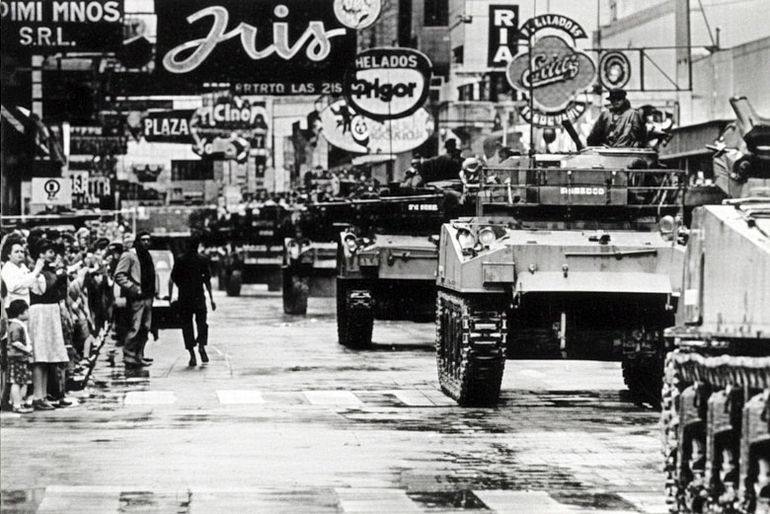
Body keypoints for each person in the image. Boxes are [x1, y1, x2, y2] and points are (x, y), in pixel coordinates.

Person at [28, 239, 70, 410]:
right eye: (50, 252)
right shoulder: (38, 273)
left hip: (50, 312)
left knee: (47, 357)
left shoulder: (49, 271)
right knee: (40, 355)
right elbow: (41, 290)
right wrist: (59, 276)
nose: (53, 255)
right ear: (41, 254)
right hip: (41, 313)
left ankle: (43, 394)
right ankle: (38, 395)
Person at [171, 235, 216, 367]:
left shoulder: (180, 260)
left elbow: (174, 278)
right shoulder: (203, 260)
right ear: (197, 246)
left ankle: (192, 354)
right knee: (202, 322)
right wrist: (212, 299)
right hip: (199, 296)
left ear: (186, 246)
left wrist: (182, 287)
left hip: (185, 297)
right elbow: (207, 280)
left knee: (187, 325)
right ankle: (201, 345)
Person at [114, 231, 156, 367]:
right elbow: (119, 275)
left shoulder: (146, 255)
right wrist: (133, 288)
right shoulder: (129, 255)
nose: (146, 242)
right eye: (143, 240)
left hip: (148, 296)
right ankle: (130, 356)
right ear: (137, 241)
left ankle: (139, 355)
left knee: (145, 328)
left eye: (148, 240)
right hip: (137, 298)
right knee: (135, 327)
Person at [6, 299, 33, 413]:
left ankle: (17, 402)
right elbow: (15, 341)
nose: (28, 313)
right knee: (17, 382)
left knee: (20, 381)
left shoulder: (18, 324)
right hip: (17, 357)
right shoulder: (16, 326)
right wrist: (27, 349)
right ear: (21, 312)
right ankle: (17, 404)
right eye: (26, 311)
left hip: (20, 357)